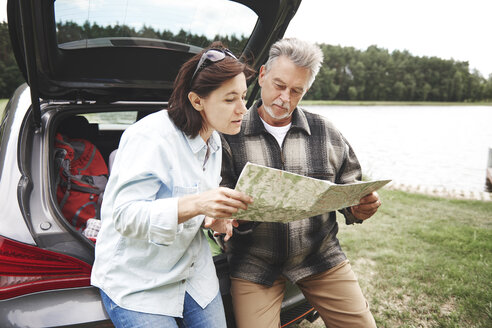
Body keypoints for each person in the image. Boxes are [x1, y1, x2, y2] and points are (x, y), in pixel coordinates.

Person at [91, 42, 255, 328]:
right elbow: (125, 216)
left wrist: (214, 218)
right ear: (197, 100)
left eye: (243, 96)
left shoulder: (214, 140)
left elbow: (193, 206)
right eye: (230, 99)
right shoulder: (149, 138)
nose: (243, 108)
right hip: (138, 280)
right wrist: (200, 203)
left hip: (193, 273)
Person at [220, 38, 381, 328]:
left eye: (297, 91)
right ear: (262, 75)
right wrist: (230, 218)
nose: (285, 98)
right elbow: (217, 198)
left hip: (320, 257)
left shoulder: (326, 131)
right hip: (255, 264)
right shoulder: (230, 131)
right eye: (279, 85)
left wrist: (360, 208)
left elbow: (349, 190)